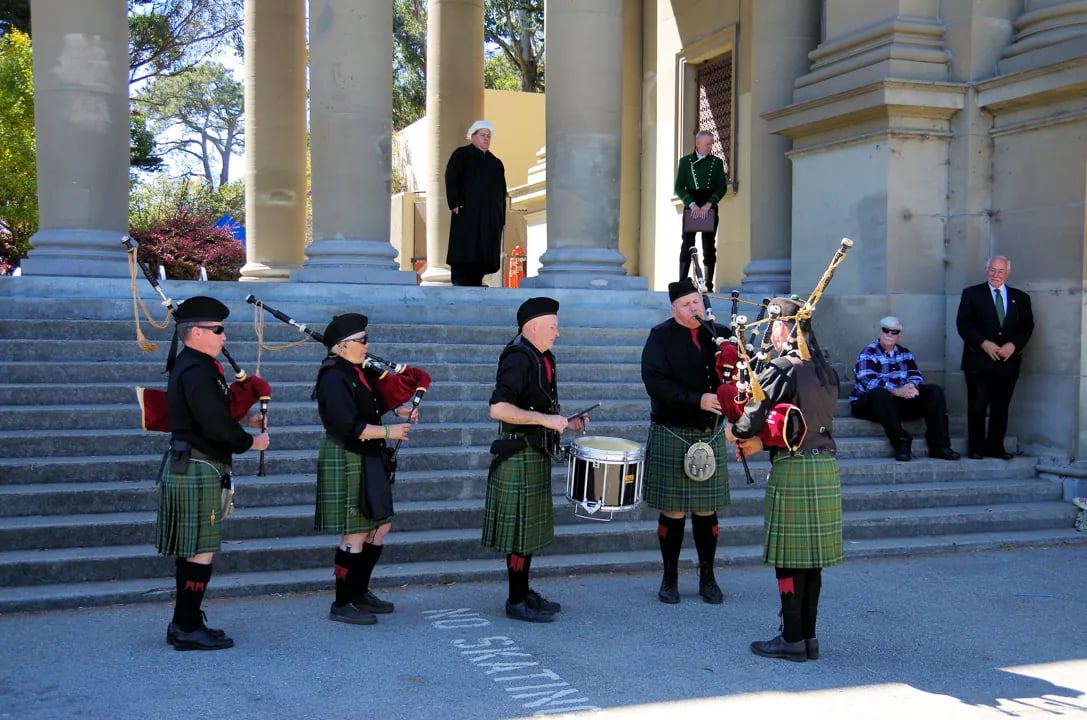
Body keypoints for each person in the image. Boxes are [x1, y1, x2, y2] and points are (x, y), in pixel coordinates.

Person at [728, 296, 842, 663]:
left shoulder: (782, 368)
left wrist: (737, 430)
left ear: (783, 327)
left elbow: (752, 417)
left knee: (790, 559)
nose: (770, 333)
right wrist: (764, 439)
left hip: (793, 469)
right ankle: (808, 637)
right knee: (812, 560)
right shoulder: (825, 369)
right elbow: (799, 419)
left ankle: (791, 638)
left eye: (772, 325)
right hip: (824, 467)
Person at [156, 296, 270, 651]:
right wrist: (251, 441)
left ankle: (184, 621)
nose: (224, 336)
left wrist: (244, 418)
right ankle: (187, 626)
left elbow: (208, 415)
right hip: (198, 465)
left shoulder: (194, 366)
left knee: (192, 550)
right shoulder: (196, 369)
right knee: (200, 550)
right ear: (195, 333)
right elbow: (213, 424)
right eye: (218, 330)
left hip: (192, 462)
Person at [483, 297, 588, 622]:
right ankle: (515, 600)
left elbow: (541, 408)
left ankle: (524, 591)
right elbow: (498, 408)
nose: (558, 332)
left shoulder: (544, 357)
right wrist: (544, 421)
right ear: (533, 327)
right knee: (519, 532)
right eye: (553, 326)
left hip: (534, 452)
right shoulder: (518, 357)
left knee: (527, 533)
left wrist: (565, 422)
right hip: (517, 454)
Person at [312, 313, 415, 626]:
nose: (367, 345)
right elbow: (347, 424)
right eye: (362, 341)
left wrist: (397, 409)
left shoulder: (355, 370)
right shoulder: (332, 375)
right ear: (343, 346)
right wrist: (390, 432)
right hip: (348, 453)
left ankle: (359, 591)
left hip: (368, 454)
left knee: (379, 527)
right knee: (355, 531)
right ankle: (342, 602)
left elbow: (367, 405)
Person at [640, 278, 731, 605]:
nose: (694, 309)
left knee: (707, 509)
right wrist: (697, 399)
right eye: (686, 305)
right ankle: (670, 577)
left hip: (711, 431)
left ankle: (708, 577)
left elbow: (736, 378)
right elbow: (655, 382)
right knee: (674, 509)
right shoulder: (660, 336)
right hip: (673, 428)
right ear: (673, 309)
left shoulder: (720, 334)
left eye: (696, 302)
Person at [849, 316, 960, 462]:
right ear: (879, 332)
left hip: (897, 403)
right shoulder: (868, 352)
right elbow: (867, 379)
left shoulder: (905, 353)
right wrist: (896, 390)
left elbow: (915, 374)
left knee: (934, 391)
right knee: (879, 393)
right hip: (869, 404)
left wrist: (911, 386)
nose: (889, 334)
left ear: (899, 335)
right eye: (886, 330)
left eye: (894, 332)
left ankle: (939, 446)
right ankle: (901, 442)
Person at [956, 256, 1034, 460]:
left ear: (1008, 273)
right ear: (986, 270)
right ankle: (976, 448)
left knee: (1001, 408)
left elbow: (1027, 327)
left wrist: (1013, 345)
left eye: (1000, 271)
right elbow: (964, 324)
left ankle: (996, 447)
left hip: (1007, 362)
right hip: (978, 362)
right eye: (992, 270)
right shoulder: (972, 294)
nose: (995, 275)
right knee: (977, 406)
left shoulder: (1021, 298)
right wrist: (983, 343)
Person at [445, 119, 507, 287]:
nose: (486, 139)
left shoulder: (496, 163)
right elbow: (452, 178)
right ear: (472, 136)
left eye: (488, 136)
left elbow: (502, 191)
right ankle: (460, 279)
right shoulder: (461, 155)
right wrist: (454, 203)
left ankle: (477, 279)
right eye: (482, 135)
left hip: (489, 216)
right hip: (467, 212)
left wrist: (500, 216)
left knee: (484, 248)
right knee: (466, 245)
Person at [674, 130, 729, 289]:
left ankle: (708, 283)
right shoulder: (685, 162)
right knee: (687, 243)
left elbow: (721, 187)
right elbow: (679, 187)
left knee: (709, 245)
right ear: (698, 144)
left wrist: (709, 204)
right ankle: (683, 282)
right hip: (691, 205)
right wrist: (691, 204)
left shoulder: (716, 162)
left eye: (712, 143)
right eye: (707, 144)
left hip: (708, 205)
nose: (711, 147)